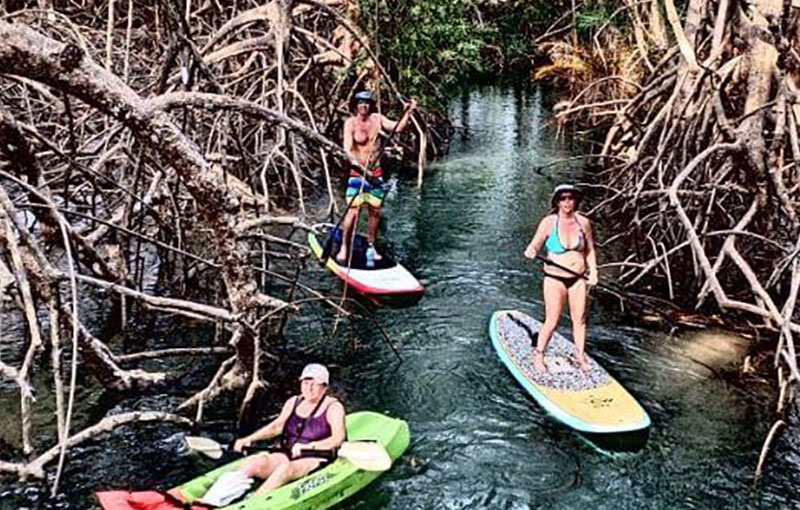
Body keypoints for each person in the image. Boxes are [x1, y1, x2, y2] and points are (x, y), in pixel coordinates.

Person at [229, 364, 345, 495]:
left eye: (314, 384)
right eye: (305, 383)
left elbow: (337, 439)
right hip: (288, 453)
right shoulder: (293, 401)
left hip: (316, 458)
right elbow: (276, 427)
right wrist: (249, 439)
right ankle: (213, 501)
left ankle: (252, 503)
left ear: (324, 387)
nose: (309, 388)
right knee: (255, 462)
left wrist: (310, 446)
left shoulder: (334, 407)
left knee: (286, 469)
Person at [523, 184, 598, 373]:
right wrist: (531, 251)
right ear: (557, 201)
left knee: (579, 320)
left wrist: (594, 272)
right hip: (554, 279)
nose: (567, 202)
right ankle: (539, 354)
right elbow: (533, 246)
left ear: (575, 200)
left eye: (571, 198)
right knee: (552, 320)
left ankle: (580, 355)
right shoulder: (549, 222)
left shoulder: (583, 223)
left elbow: (589, 250)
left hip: (578, 279)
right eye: (563, 198)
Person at [335, 90, 416, 263]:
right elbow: (347, 149)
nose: (363, 106)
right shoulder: (350, 123)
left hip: (377, 174)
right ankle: (344, 247)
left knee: (375, 212)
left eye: (367, 103)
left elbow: (398, 127)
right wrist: (357, 165)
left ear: (371, 105)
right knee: (352, 213)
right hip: (358, 174)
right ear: (356, 105)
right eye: (360, 103)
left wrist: (408, 112)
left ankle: (372, 247)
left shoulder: (378, 119)